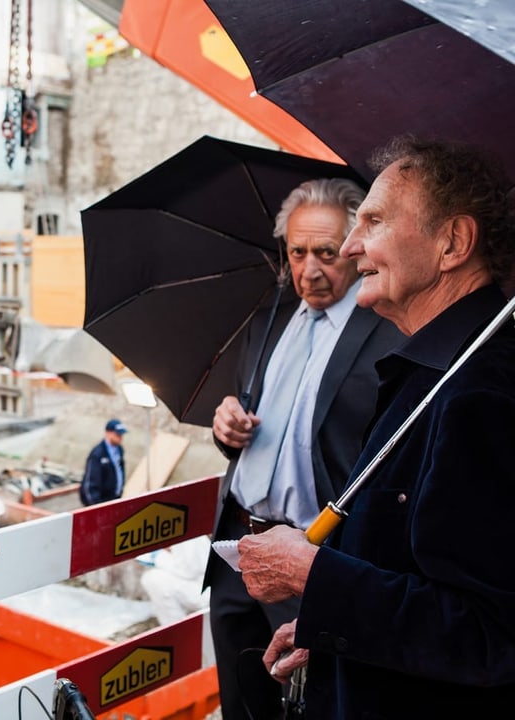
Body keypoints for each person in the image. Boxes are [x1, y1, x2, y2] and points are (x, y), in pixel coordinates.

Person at [238, 135, 515, 717]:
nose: (352, 243)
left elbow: (490, 634)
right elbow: (405, 567)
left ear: (453, 243)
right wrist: (333, 631)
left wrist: (311, 574)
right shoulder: (434, 370)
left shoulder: (484, 391)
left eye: (375, 221)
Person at [204, 178, 404, 720]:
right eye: (296, 253)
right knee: (239, 701)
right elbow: (255, 416)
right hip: (236, 553)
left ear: (355, 246)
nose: (309, 271)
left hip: (311, 557)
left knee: (312, 705)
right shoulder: (268, 316)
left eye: (325, 253)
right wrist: (227, 428)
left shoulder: (388, 328)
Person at [79, 418, 127, 505]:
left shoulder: (119, 450)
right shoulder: (98, 454)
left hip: (114, 498)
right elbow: (90, 483)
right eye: (117, 434)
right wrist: (95, 506)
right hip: (101, 502)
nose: (120, 438)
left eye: (121, 435)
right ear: (108, 433)